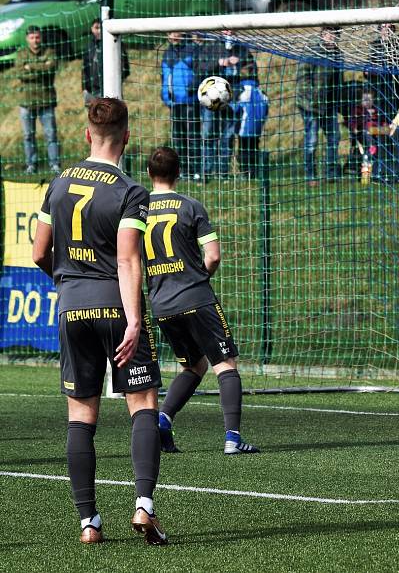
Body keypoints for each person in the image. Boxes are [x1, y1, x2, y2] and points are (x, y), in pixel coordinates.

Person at [31, 98, 166, 545]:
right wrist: (132, 320)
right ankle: (144, 507)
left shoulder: (58, 183)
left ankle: (89, 521)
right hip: (115, 306)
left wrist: (69, 284)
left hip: (71, 308)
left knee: (81, 414)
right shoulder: (130, 191)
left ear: (87, 134)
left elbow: (37, 252)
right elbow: (128, 262)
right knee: (143, 402)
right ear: (126, 138)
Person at [144, 147, 259, 456]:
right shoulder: (190, 206)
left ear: (149, 174)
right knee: (225, 363)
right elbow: (214, 255)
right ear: (178, 172)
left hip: (161, 304)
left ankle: (163, 420)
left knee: (193, 365)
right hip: (195, 296)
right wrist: (199, 278)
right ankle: (233, 438)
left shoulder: (137, 211)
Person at [195, 31, 258, 178]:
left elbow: (252, 71)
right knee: (208, 134)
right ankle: (206, 172)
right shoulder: (211, 46)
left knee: (228, 136)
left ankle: (223, 172)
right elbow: (199, 68)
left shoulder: (242, 49)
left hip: (233, 99)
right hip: (211, 100)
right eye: (225, 30)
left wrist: (241, 65)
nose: (228, 33)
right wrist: (219, 63)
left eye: (231, 31)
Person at [296, 26, 344, 185]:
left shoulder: (338, 54)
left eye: (335, 34)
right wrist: (314, 99)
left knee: (334, 137)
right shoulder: (311, 51)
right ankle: (310, 175)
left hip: (329, 105)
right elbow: (303, 80)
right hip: (310, 105)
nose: (332, 37)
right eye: (329, 34)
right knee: (312, 140)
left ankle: (331, 173)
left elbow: (338, 81)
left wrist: (338, 102)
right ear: (323, 34)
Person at [16, 25, 60, 174]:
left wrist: (30, 67)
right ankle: (31, 164)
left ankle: (54, 164)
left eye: (37, 37)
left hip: (46, 101)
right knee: (28, 135)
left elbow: (51, 69)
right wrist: (41, 67)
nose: (35, 40)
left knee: (51, 135)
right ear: (27, 39)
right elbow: (20, 74)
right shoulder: (21, 53)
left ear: (41, 37)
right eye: (32, 38)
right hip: (26, 102)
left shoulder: (50, 51)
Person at [161, 32, 199, 169]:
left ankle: (196, 170)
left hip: (189, 101)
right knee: (178, 139)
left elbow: (199, 73)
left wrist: (191, 89)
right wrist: (165, 96)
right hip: (174, 102)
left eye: (177, 33)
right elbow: (164, 78)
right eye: (171, 33)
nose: (174, 36)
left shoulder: (192, 49)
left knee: (192, 137)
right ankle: (181, 170)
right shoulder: (166, 53)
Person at [82, 18, 130, 106]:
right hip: (92, 92)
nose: (99, 31)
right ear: (91, 29)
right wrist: (84, 88)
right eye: (96, 28)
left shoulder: (116, 44)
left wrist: (115, 83)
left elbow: (125, 68)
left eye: (101, 28)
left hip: (110, 91)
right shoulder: (89, 47)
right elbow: (84, 70)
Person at [234, 78, 269, 179]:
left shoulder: (243, 91)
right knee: (254, 149)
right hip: (257, 128)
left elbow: (237, 109)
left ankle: (245, 173)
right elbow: (266, 109)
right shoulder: (261, 91)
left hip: (245, 128)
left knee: (244, 150)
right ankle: (254, 173)